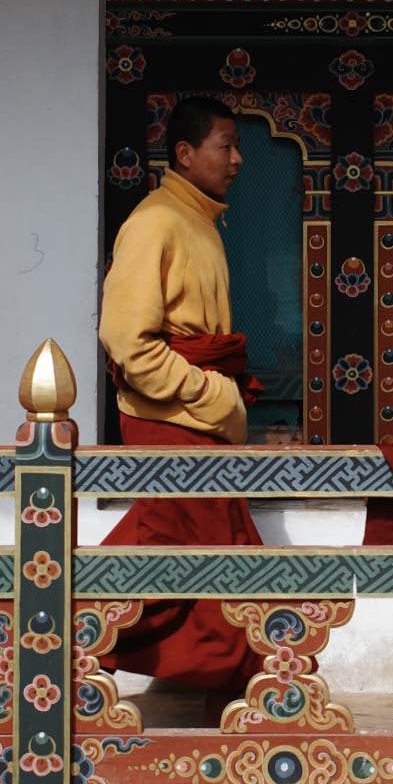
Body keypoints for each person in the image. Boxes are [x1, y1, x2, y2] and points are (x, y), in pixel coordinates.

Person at [97, 94, 266, 695]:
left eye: (237, 145)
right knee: (179, 550)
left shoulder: (199, 219)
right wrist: (212, 394)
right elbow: (126, 342)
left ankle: (228, 674)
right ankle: (64, 634)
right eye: (226, 146)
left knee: (204, 545)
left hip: (196, 418)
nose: (238, 159)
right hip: (169, 418)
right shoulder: (155, 222)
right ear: (187, 153)